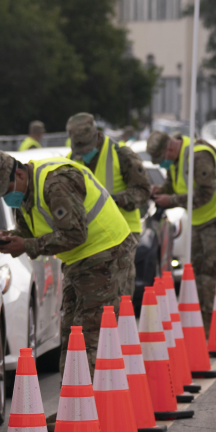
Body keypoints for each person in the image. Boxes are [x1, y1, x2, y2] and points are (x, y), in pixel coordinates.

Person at [0, 150, 134, 376]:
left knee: (89, 336)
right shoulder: (26, 193)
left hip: (105, 253)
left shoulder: (55, 184)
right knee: (72, 332)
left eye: (6, 191)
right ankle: (73, 407)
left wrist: (26, 246)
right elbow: (30, 232)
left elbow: (75, 234)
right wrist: (11, 238)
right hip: (80, 260)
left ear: (20, 175)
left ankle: (90, 407)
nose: (6, 198)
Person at [148, 131, 216, 331]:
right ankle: (203, 326)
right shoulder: (178, 159)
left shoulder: (198, 156)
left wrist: (172, 201)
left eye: (163, 159)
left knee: (210, 274)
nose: (163, 164)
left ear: (169, 148)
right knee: (197, 271)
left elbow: (205, 193)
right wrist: (161, 190)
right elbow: (174, 184)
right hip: (200, 220)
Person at [67, 113, 150, 297]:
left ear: (97, 135)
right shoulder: (72, 159)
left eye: (86, 147)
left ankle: (121, 326)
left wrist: (113, 200)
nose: (84, 153)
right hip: (89, 238)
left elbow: (143, 191)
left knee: (120, 291)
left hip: (122, 234)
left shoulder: (121, 155)